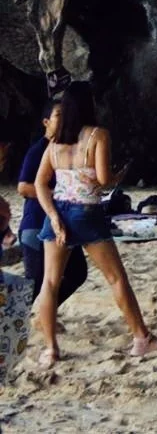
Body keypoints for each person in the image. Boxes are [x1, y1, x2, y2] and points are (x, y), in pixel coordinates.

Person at [35, 82, 157, 366]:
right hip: (86, 212)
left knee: (50, 282)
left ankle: (50, 350)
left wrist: (54, 218)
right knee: (115, 278)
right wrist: (117, 174)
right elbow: (102, 178)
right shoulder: (98, 135)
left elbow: (40, 184)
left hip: (58, 211)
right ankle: (141, 339)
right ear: (89, 105)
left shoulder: (54, 144)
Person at [16, 100, 88, 310]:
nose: (64, 120)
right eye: (58, 115)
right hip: (37, 225)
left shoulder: (66, 150)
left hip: (61, 227)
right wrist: (58, 194)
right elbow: (23, 187)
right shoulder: (38, 150)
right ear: (46, 122)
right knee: (34, 285)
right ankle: (10, 323)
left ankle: (44, 315)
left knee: (77, 274)